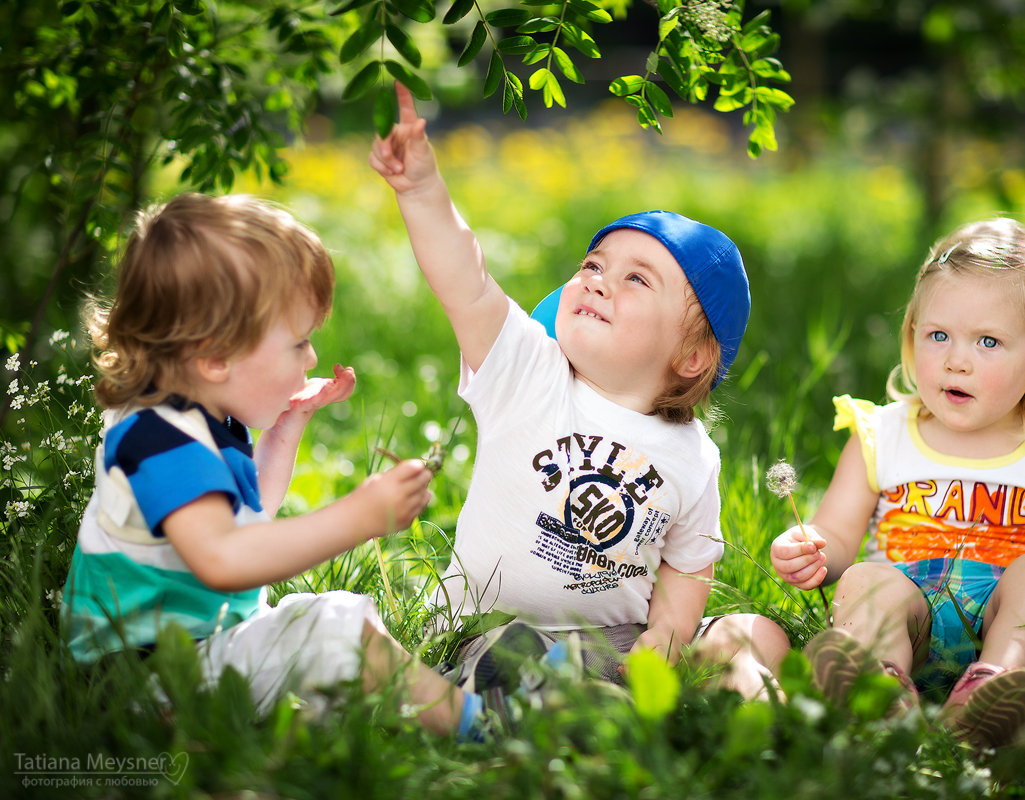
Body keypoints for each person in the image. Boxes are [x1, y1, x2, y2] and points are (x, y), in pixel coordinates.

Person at [369, 83, 789, 700]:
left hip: (614, 643)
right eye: (593, 265)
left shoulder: (693, 455)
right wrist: (422, 190)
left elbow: (687, 565)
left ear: (693, 355)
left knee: (753, 630)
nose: (597, 281)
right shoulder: (527, 373)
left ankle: (739, 697)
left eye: (636, 279)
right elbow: (466, 282)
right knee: (512, 659)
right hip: (486, 631)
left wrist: (669, 635)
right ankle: (580, 709)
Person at [61, 193, 508, 740]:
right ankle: (485, 727)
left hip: (192, 652)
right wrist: (358, 518)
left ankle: (433, 703)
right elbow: (224, 559)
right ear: (214, 356)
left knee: (337, 621)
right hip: (144, 683)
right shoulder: (159, 440)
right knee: (331, 630)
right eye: (299, 342)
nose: (313, 358)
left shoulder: (199, 417)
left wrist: (286, 426)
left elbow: (252, 519)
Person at [770, 217, 1025, 747]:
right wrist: (811, 550)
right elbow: (838, 538)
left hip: (1006, 631)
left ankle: (995, 692)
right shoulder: (884, 434)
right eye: (938, 335)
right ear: (912, 335)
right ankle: (875, 690)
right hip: (905, 624)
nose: (956, 361)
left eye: (988, 341)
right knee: (868, 581)